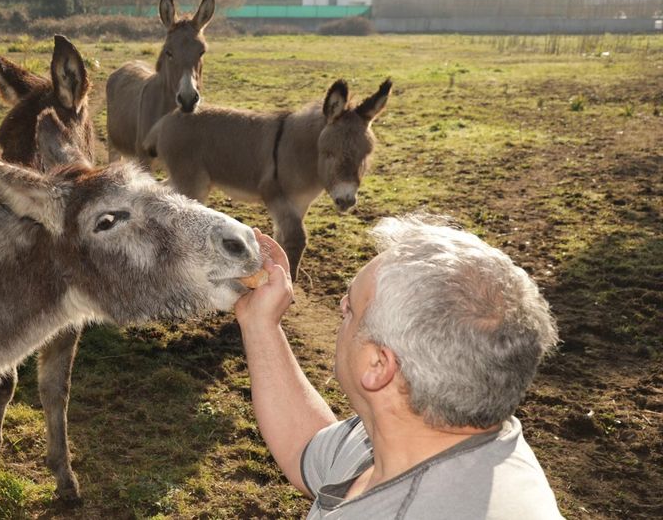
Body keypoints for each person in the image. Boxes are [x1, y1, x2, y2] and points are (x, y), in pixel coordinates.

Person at [233, 214, 563, 519]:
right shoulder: (421, 431)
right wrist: (261, 325)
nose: (341, 304)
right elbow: (306, 448)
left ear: (379, 364)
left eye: (351, 307)